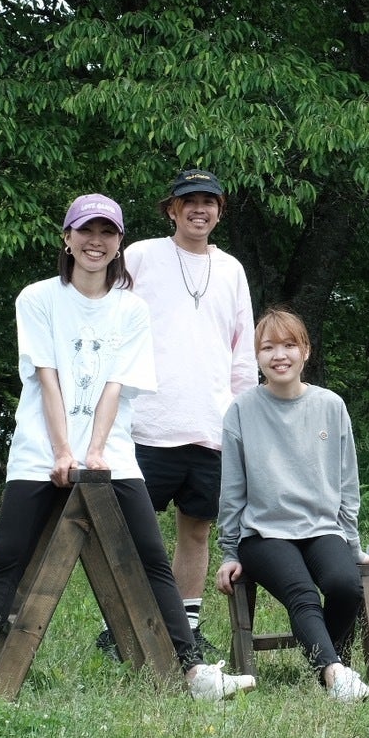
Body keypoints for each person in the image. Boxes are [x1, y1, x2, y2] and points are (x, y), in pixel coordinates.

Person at [0, 194, 256, 703]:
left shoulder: (132, 308)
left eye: (107, 233)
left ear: (119, 243)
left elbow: (116, 385)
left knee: (152, 560)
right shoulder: (37, 298)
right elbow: (47, 377)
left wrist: (95, 452)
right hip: (39, 450)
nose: (96, 242)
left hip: (112, 452)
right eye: (86, 231)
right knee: (7, 558)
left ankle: (194, 672)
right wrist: (61, 451)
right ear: (67, 238)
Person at [97, 168, 255, 658]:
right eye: (189, 201)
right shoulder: (142, 255)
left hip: (210, 426)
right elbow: (108, 323)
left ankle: (186, 627)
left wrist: (242, 417)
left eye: (209, 202)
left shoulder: (231, 269)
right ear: (172, 210)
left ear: (220, 212)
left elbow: (242, 351)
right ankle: (122, 627)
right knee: (128, 534)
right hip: (144, 423)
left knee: (197, 530)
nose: (198, 210)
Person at [214, 308, 369, 702]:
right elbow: (232, 489)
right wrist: (229, 551)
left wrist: (352, 545)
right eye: (268, 347)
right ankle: (336, 676)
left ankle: (328, 667)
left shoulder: (330, 405)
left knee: (345, 586)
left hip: (321, 528)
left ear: (305, 351)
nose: (279, 355)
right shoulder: (242, 410)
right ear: (257, 356)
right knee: (302, 593)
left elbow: (347, 483)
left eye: (289, 345)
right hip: (264, 533)